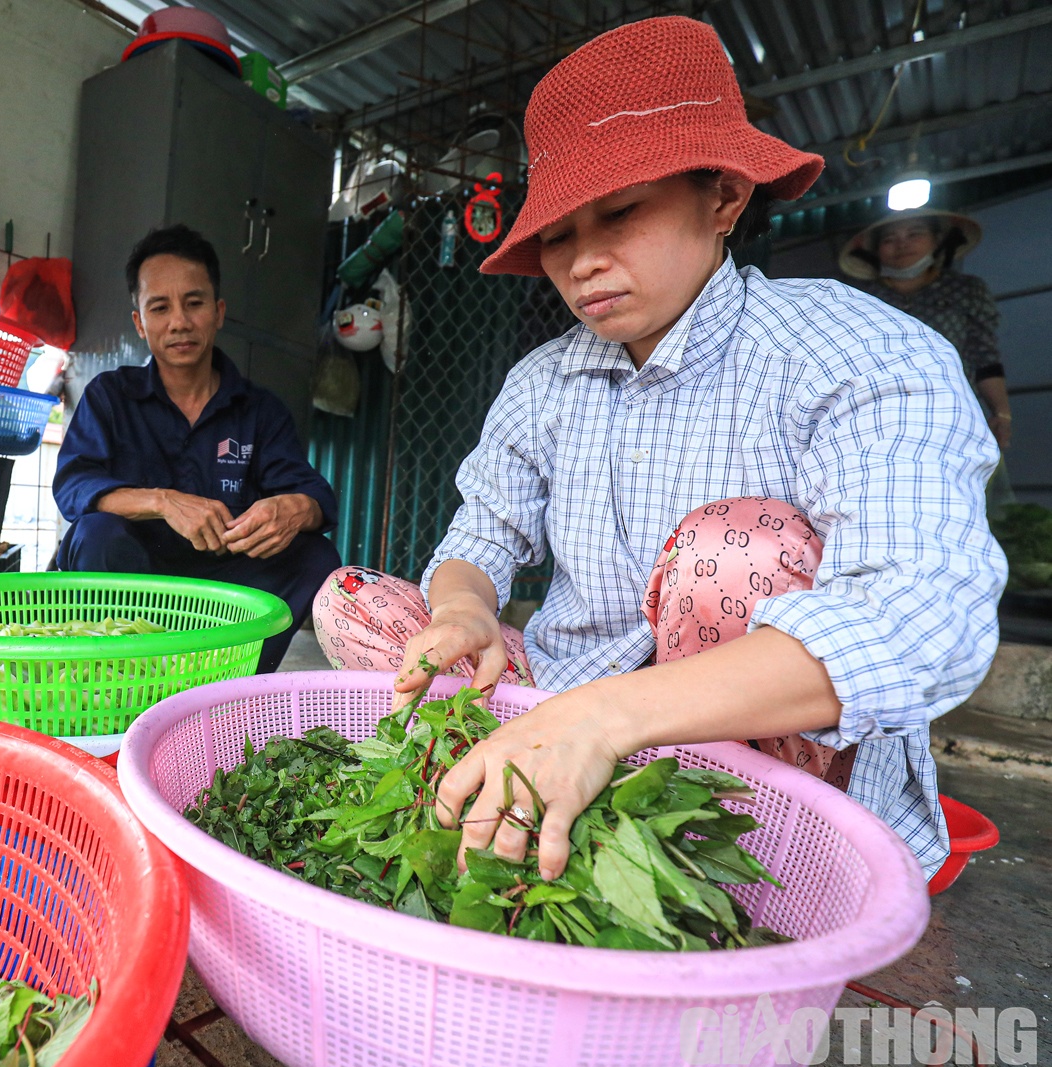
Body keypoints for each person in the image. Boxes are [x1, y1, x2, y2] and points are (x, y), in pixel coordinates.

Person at [313, 16, 1005, 884]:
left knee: (733, 555)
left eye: (622, 213)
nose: (583, 262)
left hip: (756, 767)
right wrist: (464, 611)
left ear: (722, 199)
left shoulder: (849, 349)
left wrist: (606, 721)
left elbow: (920, 618)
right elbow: (480, 538)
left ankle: (739, 859)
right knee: (354, 601)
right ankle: (536, 774)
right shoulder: (545, 381)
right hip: (568, 699)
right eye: (558, 235)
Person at [54, 224, 341, 672]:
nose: (179, 322)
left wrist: (293, 508)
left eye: (194, 303)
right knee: (97, 532)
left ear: (219, 311)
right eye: (160, 307)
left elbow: (314, 495)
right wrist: (164, 502)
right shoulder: (110, 396)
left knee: (315, 555)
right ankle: (115, 681)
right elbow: (74, 487)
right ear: (140, 322)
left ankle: (227, 683)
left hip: (220, 593)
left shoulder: (259, 410)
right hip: (133, 580)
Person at [840, 210, 1012, 502]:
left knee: (971, 502)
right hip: (878, 422)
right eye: (890, 239)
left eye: (914, 233)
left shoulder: (965, 290)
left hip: (954, 418)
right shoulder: (855, 299)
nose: (901, 244)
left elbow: (984, 356)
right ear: (874, 251)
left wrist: (1001, 413)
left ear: (938, 240)